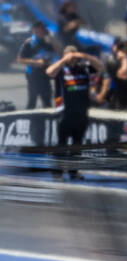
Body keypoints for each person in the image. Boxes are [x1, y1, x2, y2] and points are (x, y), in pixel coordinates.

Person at [46, 48, 103, 180]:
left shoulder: (83, 68)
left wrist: (84, 55)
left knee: (77, 144)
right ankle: (57, 173)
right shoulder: (61, 69)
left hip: (81, 112)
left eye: (74, 55)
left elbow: (100, 66)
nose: (72, 57)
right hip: (64, 112)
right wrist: (64, 59)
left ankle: (74, 171)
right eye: (69, 54)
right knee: (62, 144)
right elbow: (49, 71)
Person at [18, 21, 56, 109]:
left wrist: (51, 37)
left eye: (44, 28)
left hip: (45, 74)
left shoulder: (48, 42)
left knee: (47, 100)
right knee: (32, 100)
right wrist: (36, 62)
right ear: (35, 29)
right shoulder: (29, 42)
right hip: (33, 74)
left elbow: (58, 52)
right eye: (41, 28)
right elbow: (20, 59)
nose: (43, 30)